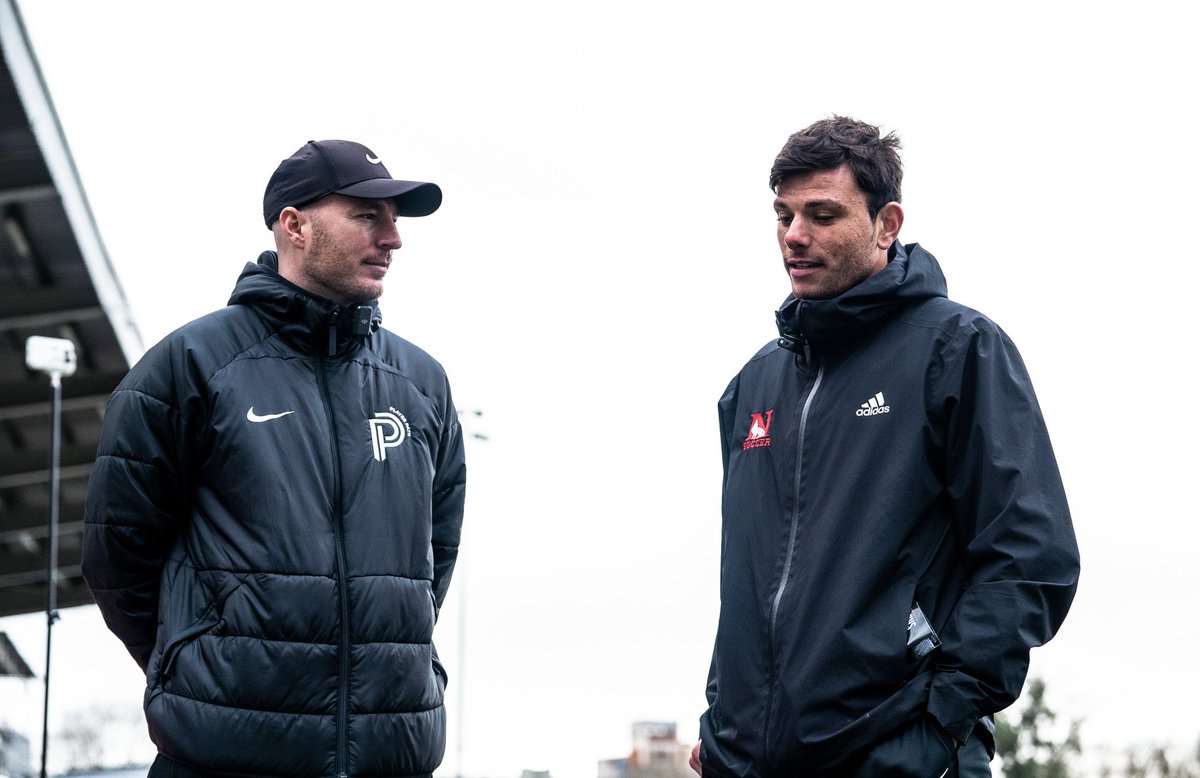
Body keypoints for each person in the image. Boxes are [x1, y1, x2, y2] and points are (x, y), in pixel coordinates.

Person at [691, 117, 1080, 778]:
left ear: (886, 222)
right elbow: (754, 581)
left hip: (898, 754)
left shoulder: (958, 351)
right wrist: (728, 718)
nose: (794, 236)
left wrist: (940, 720)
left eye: (821, 214)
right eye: (783, 215)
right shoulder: (752, 384)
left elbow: (1032, 556)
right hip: (748, 759)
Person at [81, 139, 466, 777]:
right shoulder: (192, 365)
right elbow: (116, 551)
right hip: (224, 753)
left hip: (390, 750)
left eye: (396, 220)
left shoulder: (421, 383)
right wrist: (200, 658)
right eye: (368, 216)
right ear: (295, 225)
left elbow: (436, 551)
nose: (393, 238)